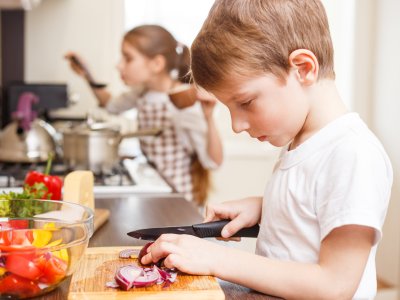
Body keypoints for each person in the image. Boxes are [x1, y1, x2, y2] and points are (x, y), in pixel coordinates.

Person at [139, 1, 393, 299]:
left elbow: (334, 285)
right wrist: (267, 206)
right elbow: (316, 207)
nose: (236, 125)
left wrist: (216, 258)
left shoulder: (353, 154)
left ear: (302, 69)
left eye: (245, 102)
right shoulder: (305, 143)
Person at [65, 25, 223, 205]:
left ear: (156, 64)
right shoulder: (142, 92)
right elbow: (111, 105)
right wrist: (87, 76)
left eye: (128, 58)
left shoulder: (182, 100)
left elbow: (213, 162)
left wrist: (208, 117)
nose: (119, 65)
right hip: (154, 194)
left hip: (179, 202)